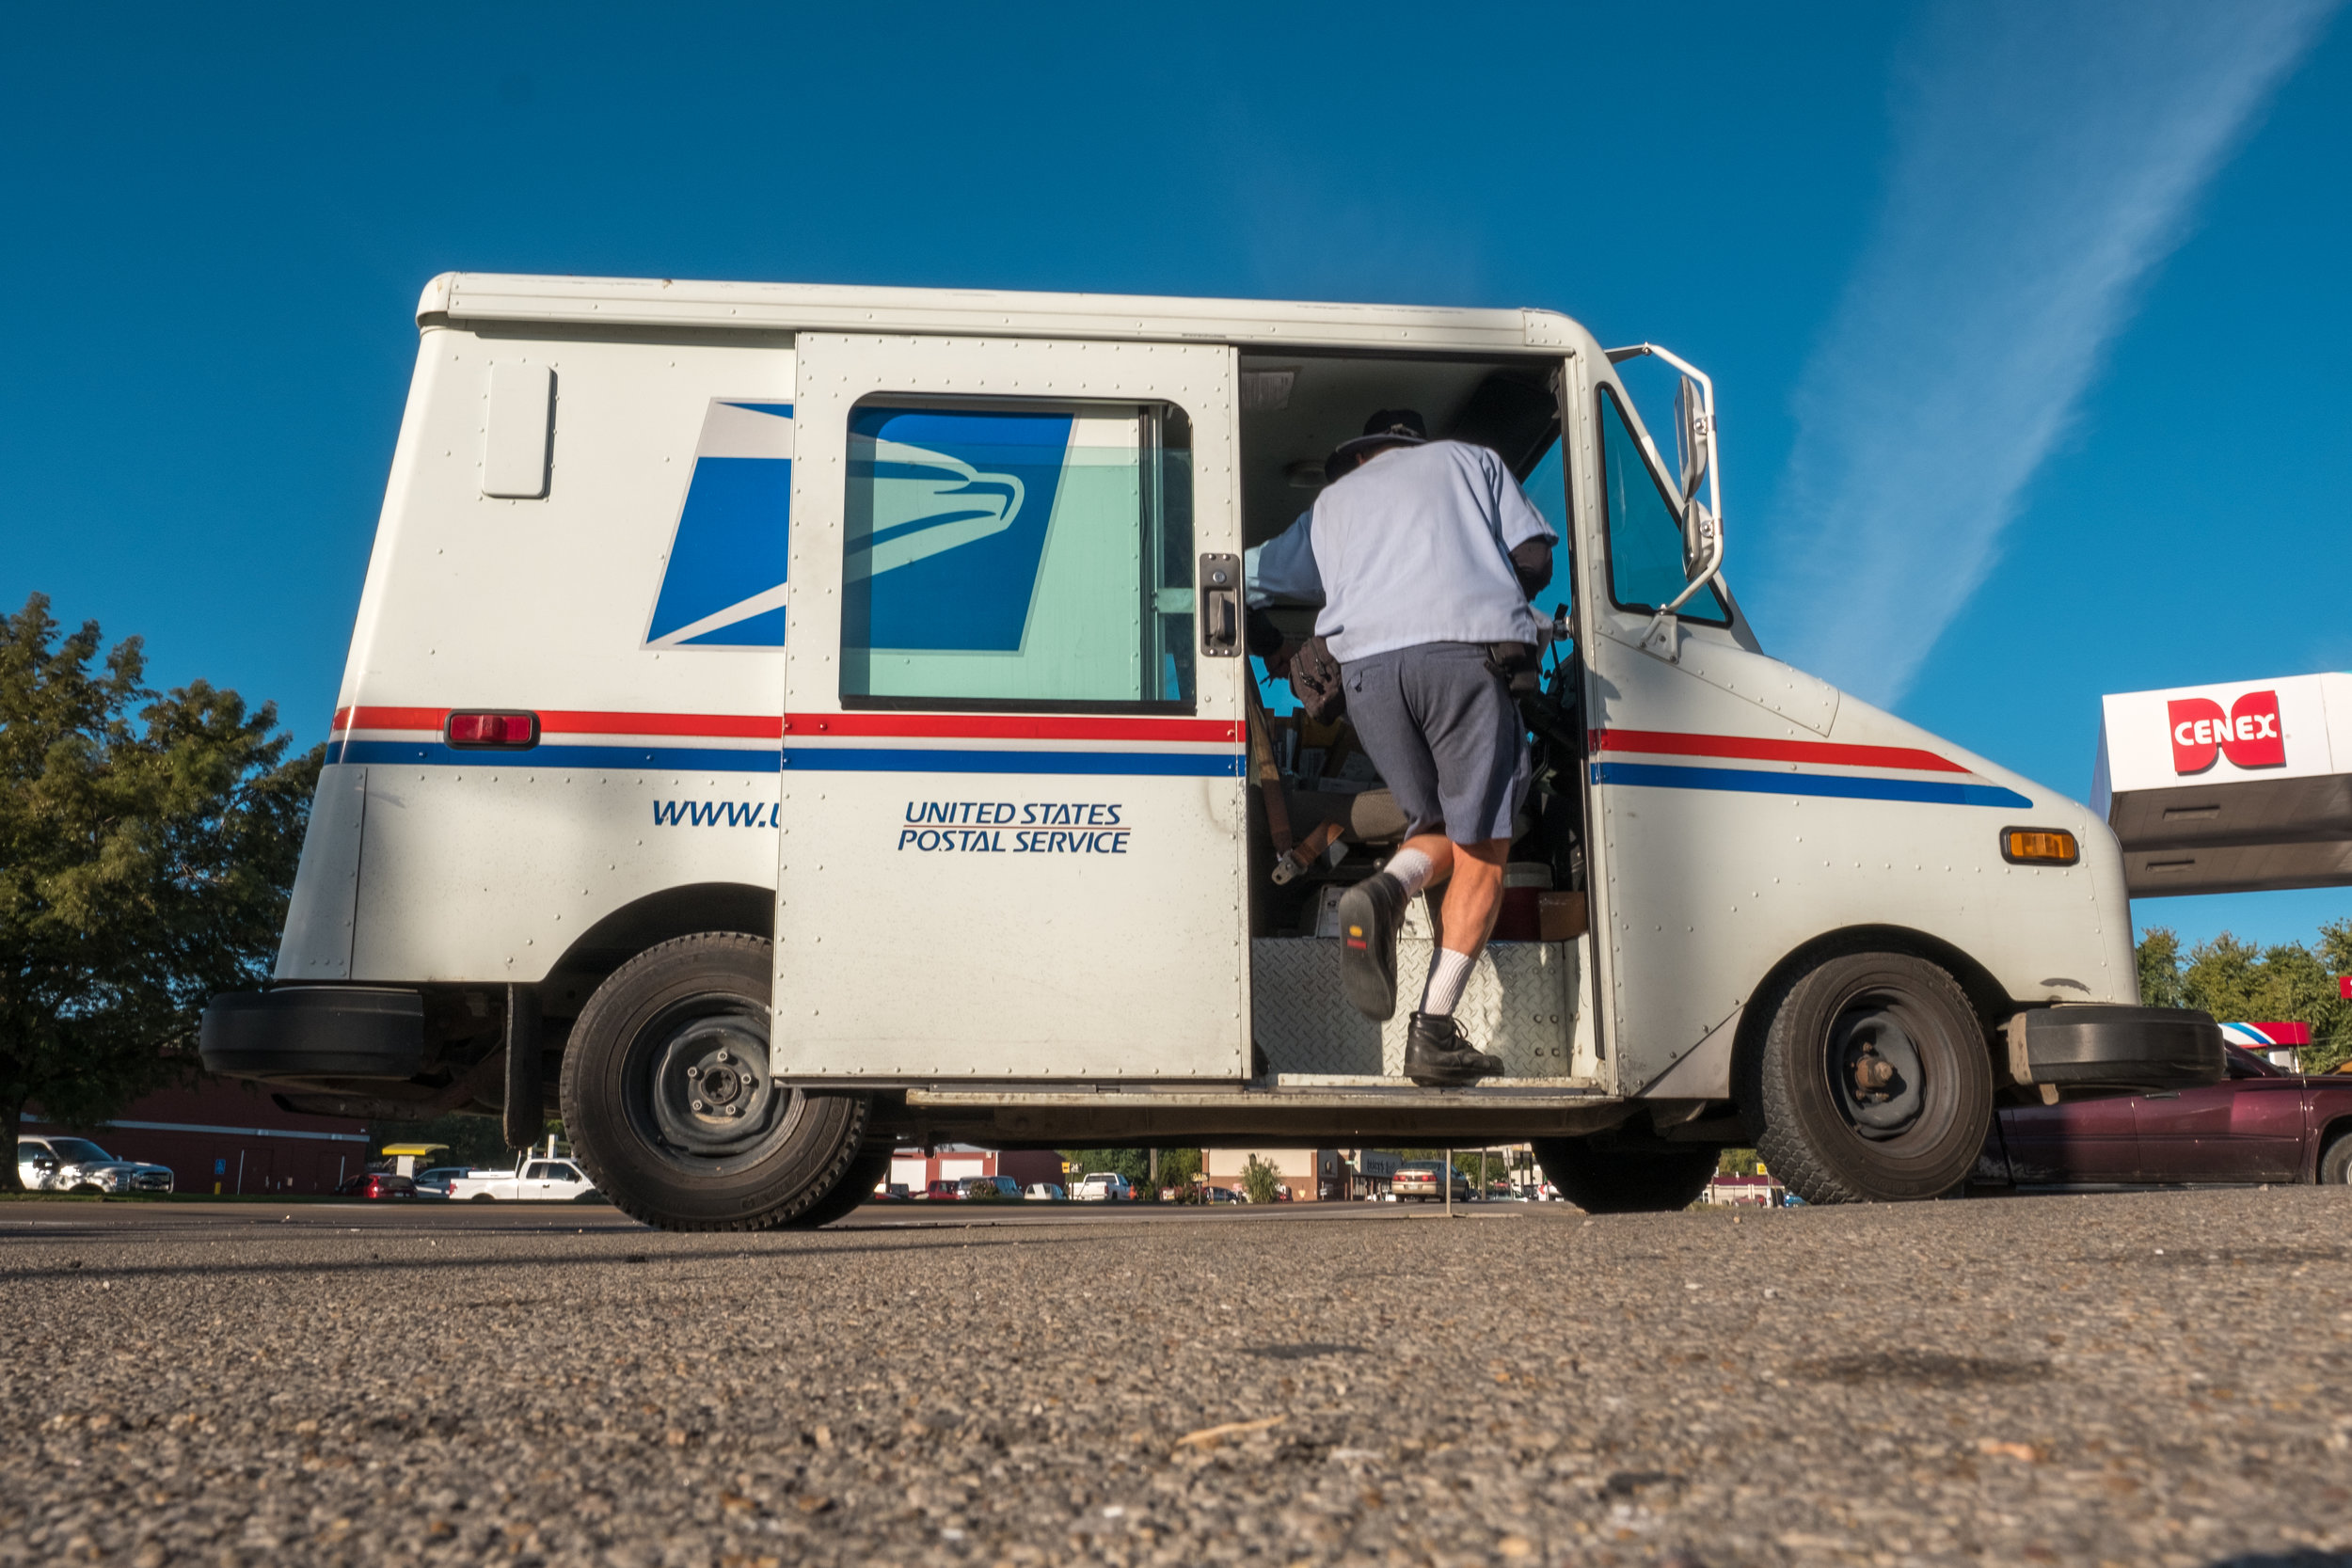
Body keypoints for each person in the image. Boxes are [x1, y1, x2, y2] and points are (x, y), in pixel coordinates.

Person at [1247, 409, 1556, 1086]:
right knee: (1489, 847)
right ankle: (1434, 1026)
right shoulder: (1471, 462)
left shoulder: (1332, 505)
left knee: (1440, 826)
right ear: (1418, 445)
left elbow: (1238, 578)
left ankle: (1388, 887)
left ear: (1361, 457)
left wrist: (1275, 647)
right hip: (1461, 658)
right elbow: (1534, 559)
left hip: (1367, 677)